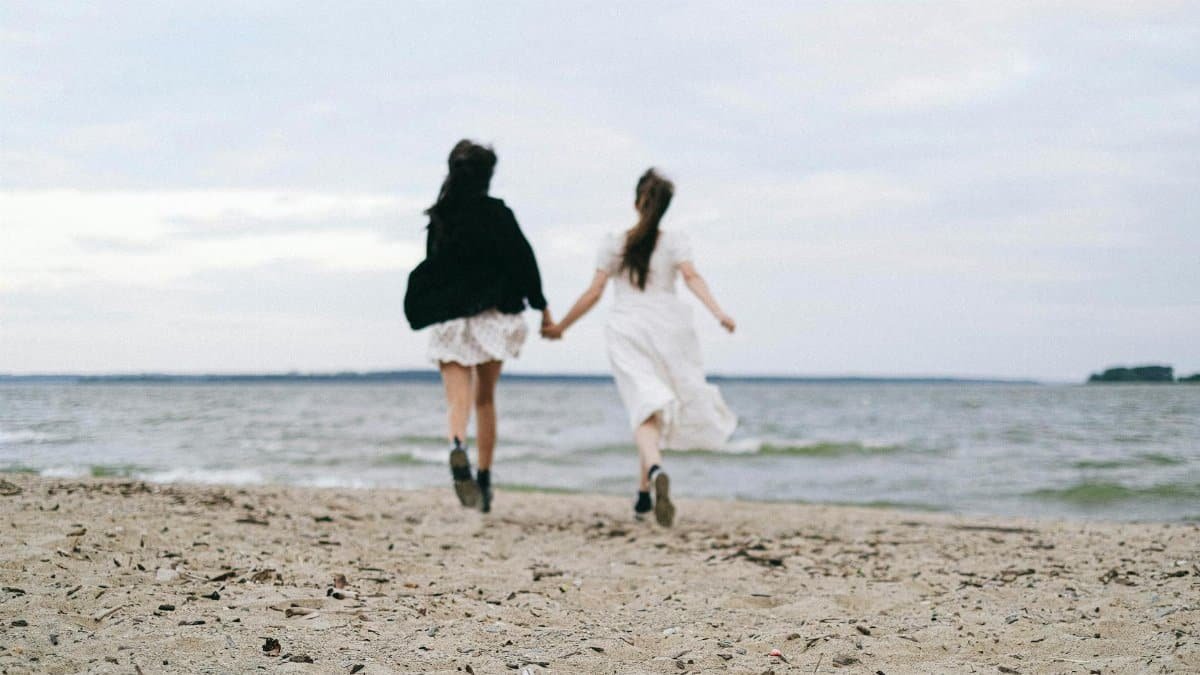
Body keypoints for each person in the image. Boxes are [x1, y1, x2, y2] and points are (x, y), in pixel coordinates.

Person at [542, 168, 736, 526]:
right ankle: (644, 496)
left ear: (636, 202)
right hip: (670, 327)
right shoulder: (675, 240)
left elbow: (594, 292)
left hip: (628, 328)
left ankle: (654, 472)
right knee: (651, 406)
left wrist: (560, 327)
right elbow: (692, 277)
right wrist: (719, 312)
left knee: (644, 407)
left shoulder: (614, 241)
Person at [404, 139, 552, 513]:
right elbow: (524, 260)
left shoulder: (440, 217)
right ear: (488, 176)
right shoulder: (497, 215)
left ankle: (458, 447)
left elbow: (434, 270)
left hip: (451, 321)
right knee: (484, 399)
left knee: (457, 401)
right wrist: (542, 307)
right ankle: (483, 481)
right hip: (491, 319)